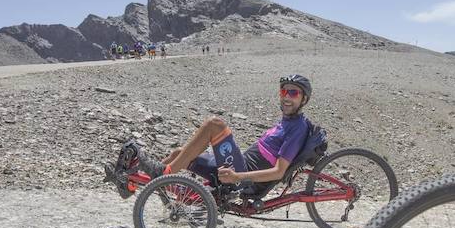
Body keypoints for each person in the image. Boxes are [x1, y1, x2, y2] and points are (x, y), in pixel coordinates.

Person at [104, 75, 314, 197]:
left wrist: (237, 177)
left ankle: (163, 173)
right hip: (240, 165)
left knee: (215, 125)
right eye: (283, 92)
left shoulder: (298, 128)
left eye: (293, 93)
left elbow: (279, 172)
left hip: (242, 176)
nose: (287, 97)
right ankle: (130, 185)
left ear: (303, 99)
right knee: (180, 154)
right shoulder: (287, 122)